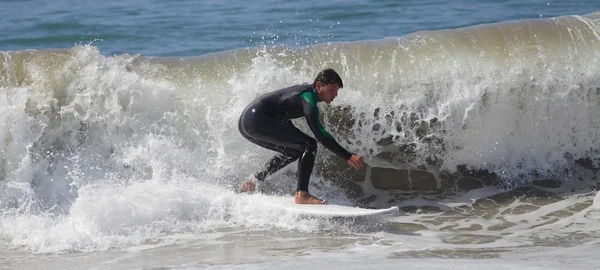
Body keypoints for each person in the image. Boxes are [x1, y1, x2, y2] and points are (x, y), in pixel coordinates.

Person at [237, 68, 365, 204]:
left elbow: (282, 114)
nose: (335, 94)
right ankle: (302, 194)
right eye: (332, 89)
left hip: (247, 122)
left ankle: (253, 182)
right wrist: (348, 156)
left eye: (337, 90)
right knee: (309, 144)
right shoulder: (308, 98)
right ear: (318, 86)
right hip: (256, 119)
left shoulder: (305, 94)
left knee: (294, 150)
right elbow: (320, 134)